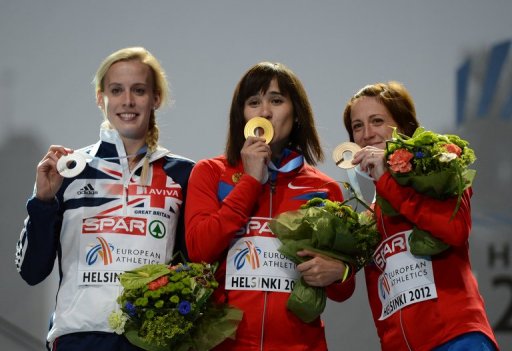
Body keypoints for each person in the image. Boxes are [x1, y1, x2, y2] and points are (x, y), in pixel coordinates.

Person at [15, 47, 195, 350]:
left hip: (150, 341)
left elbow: (193, 266)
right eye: (116, 90)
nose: (127, 101)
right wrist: (43, 202)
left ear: (156, 98)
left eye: (139, 90)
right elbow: (31, 271)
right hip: (79, 339)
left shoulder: (183, 174)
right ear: (101, 98)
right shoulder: (68, 169)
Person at [185, 62, 355, 350]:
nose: (265, 112)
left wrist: (340, 272)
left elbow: (343, 290)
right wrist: (250, 180)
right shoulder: (210, 172)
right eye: (254, 102)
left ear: (296, 112)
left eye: (276, 100)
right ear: (242, 116)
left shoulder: (324, 188)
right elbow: (199, 249)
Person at [343, 81, 499, 350]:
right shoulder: (369, 215)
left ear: (403, 127)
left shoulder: (441, 167)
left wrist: (387, 182)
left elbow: (455, 230)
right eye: (357, 126)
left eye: (377, 121)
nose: (367, 134)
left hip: (457, 339)